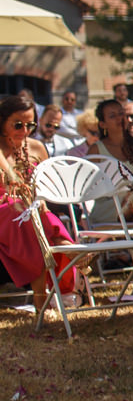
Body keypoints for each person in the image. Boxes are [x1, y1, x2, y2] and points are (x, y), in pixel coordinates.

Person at [0, 95, 79, 304]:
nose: (25, 131)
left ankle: (41, 299)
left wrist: (40, 198)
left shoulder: (35, 147)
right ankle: (67, 246)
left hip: (33, 209)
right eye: (17, 125)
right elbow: (9, 183)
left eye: (30, 125)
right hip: (4, 207)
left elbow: (48, 184)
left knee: (32, 214)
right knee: (23, 212)